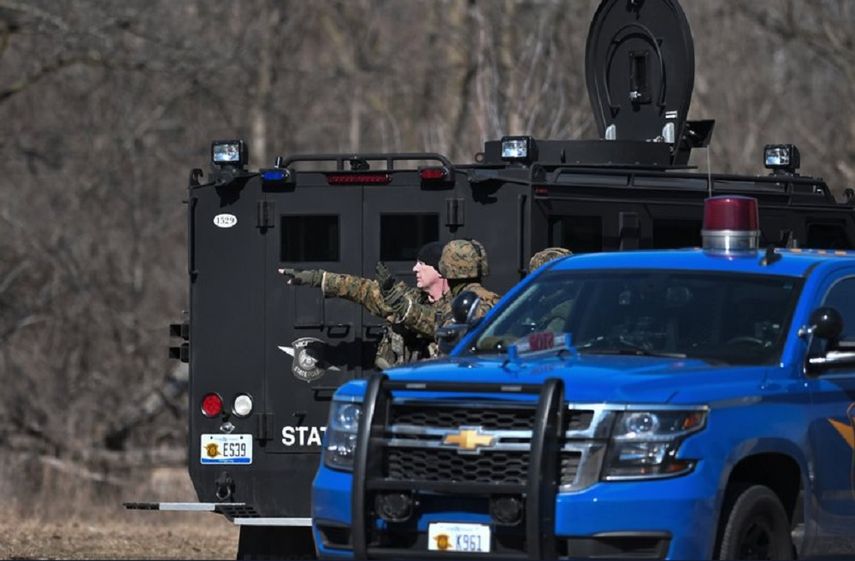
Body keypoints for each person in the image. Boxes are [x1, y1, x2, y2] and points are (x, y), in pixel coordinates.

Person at [278, 241, 448, 369]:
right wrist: (316, 278)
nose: (415, 268)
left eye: (422, 264)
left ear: (440, 270)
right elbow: (362, 289)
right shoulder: (413, 298)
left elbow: (432, 323)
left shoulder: (457, 308)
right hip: (400, 385)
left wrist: (400, 304)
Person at [380, 239, 500, 341]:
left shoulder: (465, 304)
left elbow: (441, 328)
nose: (415, 269)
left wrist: (402, 306)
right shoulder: (495, 301)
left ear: (444, 269)